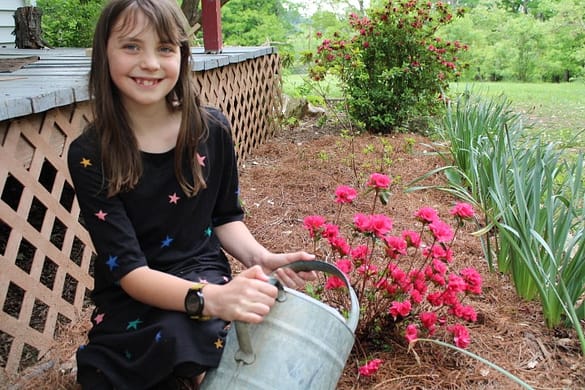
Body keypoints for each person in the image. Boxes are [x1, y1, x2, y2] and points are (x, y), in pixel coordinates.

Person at [67, 0, 314, 388]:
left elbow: (225, 217)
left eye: (165, 48)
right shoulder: (91, 154)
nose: (149, 62)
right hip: (134, 291)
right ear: (104, 54)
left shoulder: (210, 128)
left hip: (200, 269)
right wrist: (213, 300)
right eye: (131, 46)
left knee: (204, 333)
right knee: (127, 356)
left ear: (182, 56)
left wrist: (260, 257)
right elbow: (130, 272)